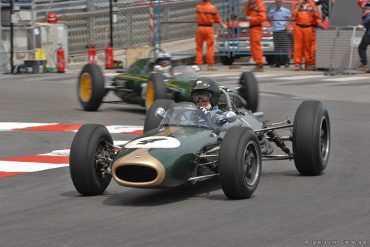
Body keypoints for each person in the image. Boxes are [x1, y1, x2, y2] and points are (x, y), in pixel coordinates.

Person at [195, 0, 227, 71]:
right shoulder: (212, 8)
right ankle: (210, 66)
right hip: (209, 28)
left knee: (199, 47)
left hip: (200, 28)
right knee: (210, 47)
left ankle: (199, 65)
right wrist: (223, 26)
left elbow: (197, 17)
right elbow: (218, 19)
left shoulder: (198, 7)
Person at [291, 0, 321, 71]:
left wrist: (313, 6)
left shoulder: (311, 4)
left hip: (308, 27)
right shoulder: (296, 4)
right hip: (298, 27)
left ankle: (308, 63)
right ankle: (297, 63)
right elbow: (293, 14)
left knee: (308, 47)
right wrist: (299, 5)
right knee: (297, 46)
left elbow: (318, 15)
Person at [268, 0, 292, 68]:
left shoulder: (286, 10)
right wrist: (272, 23)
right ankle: (277, 63)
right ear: (275, 3)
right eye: (277, 1)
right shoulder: (272, 11)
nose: (278, 3)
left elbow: (291, 17)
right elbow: (268, 17)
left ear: (281, 2)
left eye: (279, 1)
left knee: (284, 47)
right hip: (275, 31)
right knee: (277, 47)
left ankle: (286, 62)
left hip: (283, 30)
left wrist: (287, 24)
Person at [246, 0, 267, 72]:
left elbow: (262, 18)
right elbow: (247, 14)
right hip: (252, 28)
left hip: (256, 28)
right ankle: (258, 63)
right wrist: (249, 5)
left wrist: (252, 19)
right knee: (253, 47)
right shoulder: (251, 4)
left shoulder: (260, 5)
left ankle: (259, 64)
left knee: (256, 46)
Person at [357, 0, 370, 72]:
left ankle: (364, 64)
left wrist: (362, 24)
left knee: (361, 48)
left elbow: (369, 18)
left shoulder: (367, 11)